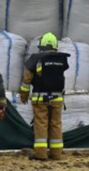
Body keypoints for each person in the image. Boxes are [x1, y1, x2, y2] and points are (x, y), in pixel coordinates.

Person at [19, 33, 70, 161]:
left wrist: (24, 95)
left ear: (42, 46)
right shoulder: (62, 59)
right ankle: (56, 154)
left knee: (41, 125)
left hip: (40, 99)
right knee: (56, 125)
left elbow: (27, 79)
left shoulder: (36, 58)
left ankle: (41, 154)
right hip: (57, 98)